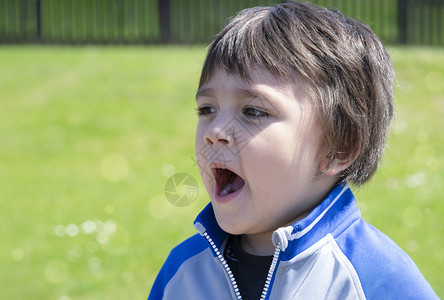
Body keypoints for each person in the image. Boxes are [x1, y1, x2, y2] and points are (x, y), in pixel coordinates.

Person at [148, 1, 438, 299]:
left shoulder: (378, 280)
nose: (215, 132)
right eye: (207, 109)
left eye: (253, 111)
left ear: (339, 148)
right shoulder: (181, 273)